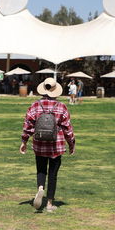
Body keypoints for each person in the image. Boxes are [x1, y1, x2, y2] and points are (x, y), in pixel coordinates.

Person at [20, 77, 76, 212]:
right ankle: (50, 203)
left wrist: (24, 141)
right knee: (53, 173)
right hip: (56, 145)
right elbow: (68, 128)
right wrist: (71, 143)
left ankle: (40, 188)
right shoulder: (61, 107)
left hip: (39, 144)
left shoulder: (34, 106)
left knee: (41, 169)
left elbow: (28, 126)